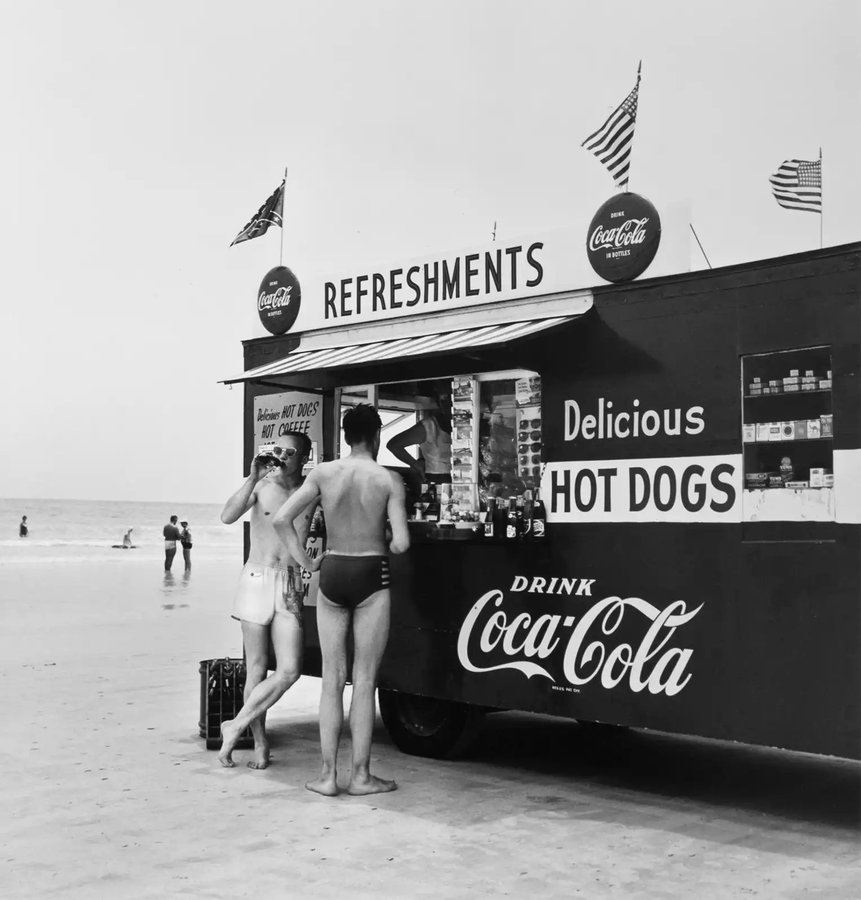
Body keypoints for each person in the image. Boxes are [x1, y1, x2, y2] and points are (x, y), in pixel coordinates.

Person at [273, 403, 410, 797]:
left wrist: (306, 563)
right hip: (372, 575)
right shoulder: (387, 479)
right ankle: (362, 777)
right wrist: (380, 536)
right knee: (364, 681)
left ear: (347, 436)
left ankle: (328, 777)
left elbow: (283, 519)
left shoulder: (323, 473)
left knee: (332, 681)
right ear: (377, 435)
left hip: (332, 572)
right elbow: (400, 543)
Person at [218, 432, 316, 770]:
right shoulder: (262, 485)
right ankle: (259, 742)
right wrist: (252, 476)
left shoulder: (310, 490)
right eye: (278, 450)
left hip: (289, 582)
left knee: (290, 670)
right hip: (257, 576)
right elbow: (228, 516)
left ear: (304, 456)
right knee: (256, 668)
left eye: (290, 451)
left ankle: (236, 724)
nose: (282, 456)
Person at [385, 381, 452, 483]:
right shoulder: (428, 427)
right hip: (437, 481)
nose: (448, 404)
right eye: (443, 400)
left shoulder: (468, 425)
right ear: (438, 402)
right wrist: (415, 464)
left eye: (450, 399)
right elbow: (393, 445)